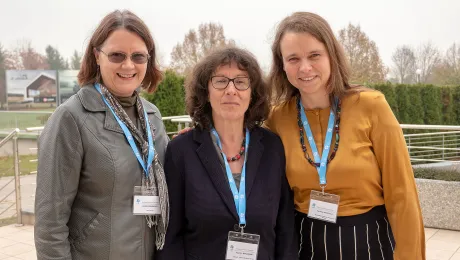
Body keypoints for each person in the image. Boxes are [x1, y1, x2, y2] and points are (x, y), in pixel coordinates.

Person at [265, 12, 425, 260]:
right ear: (282, 65)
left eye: (314, 55)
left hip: (368, 243)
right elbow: (240, 151)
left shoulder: (371, 106)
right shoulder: (277, 118)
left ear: (332, 56)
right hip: (304, 244)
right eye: (293, 58)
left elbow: (402, 194)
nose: (305, 67)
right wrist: (198, 138)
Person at [34, 10, 169, 260]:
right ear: (97, 56)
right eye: (117, 55)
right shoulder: (71, 118)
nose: (128, 65)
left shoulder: (153, 117)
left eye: (138, 56)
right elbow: (49, 225)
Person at [157, 47, 298, 260]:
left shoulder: (272, 147)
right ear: (206, 91)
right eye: (221, 81)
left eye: (241, 82)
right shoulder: (181, 152)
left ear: (253, 93)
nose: (231, 90)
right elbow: (170, 236)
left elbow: (286, 230)